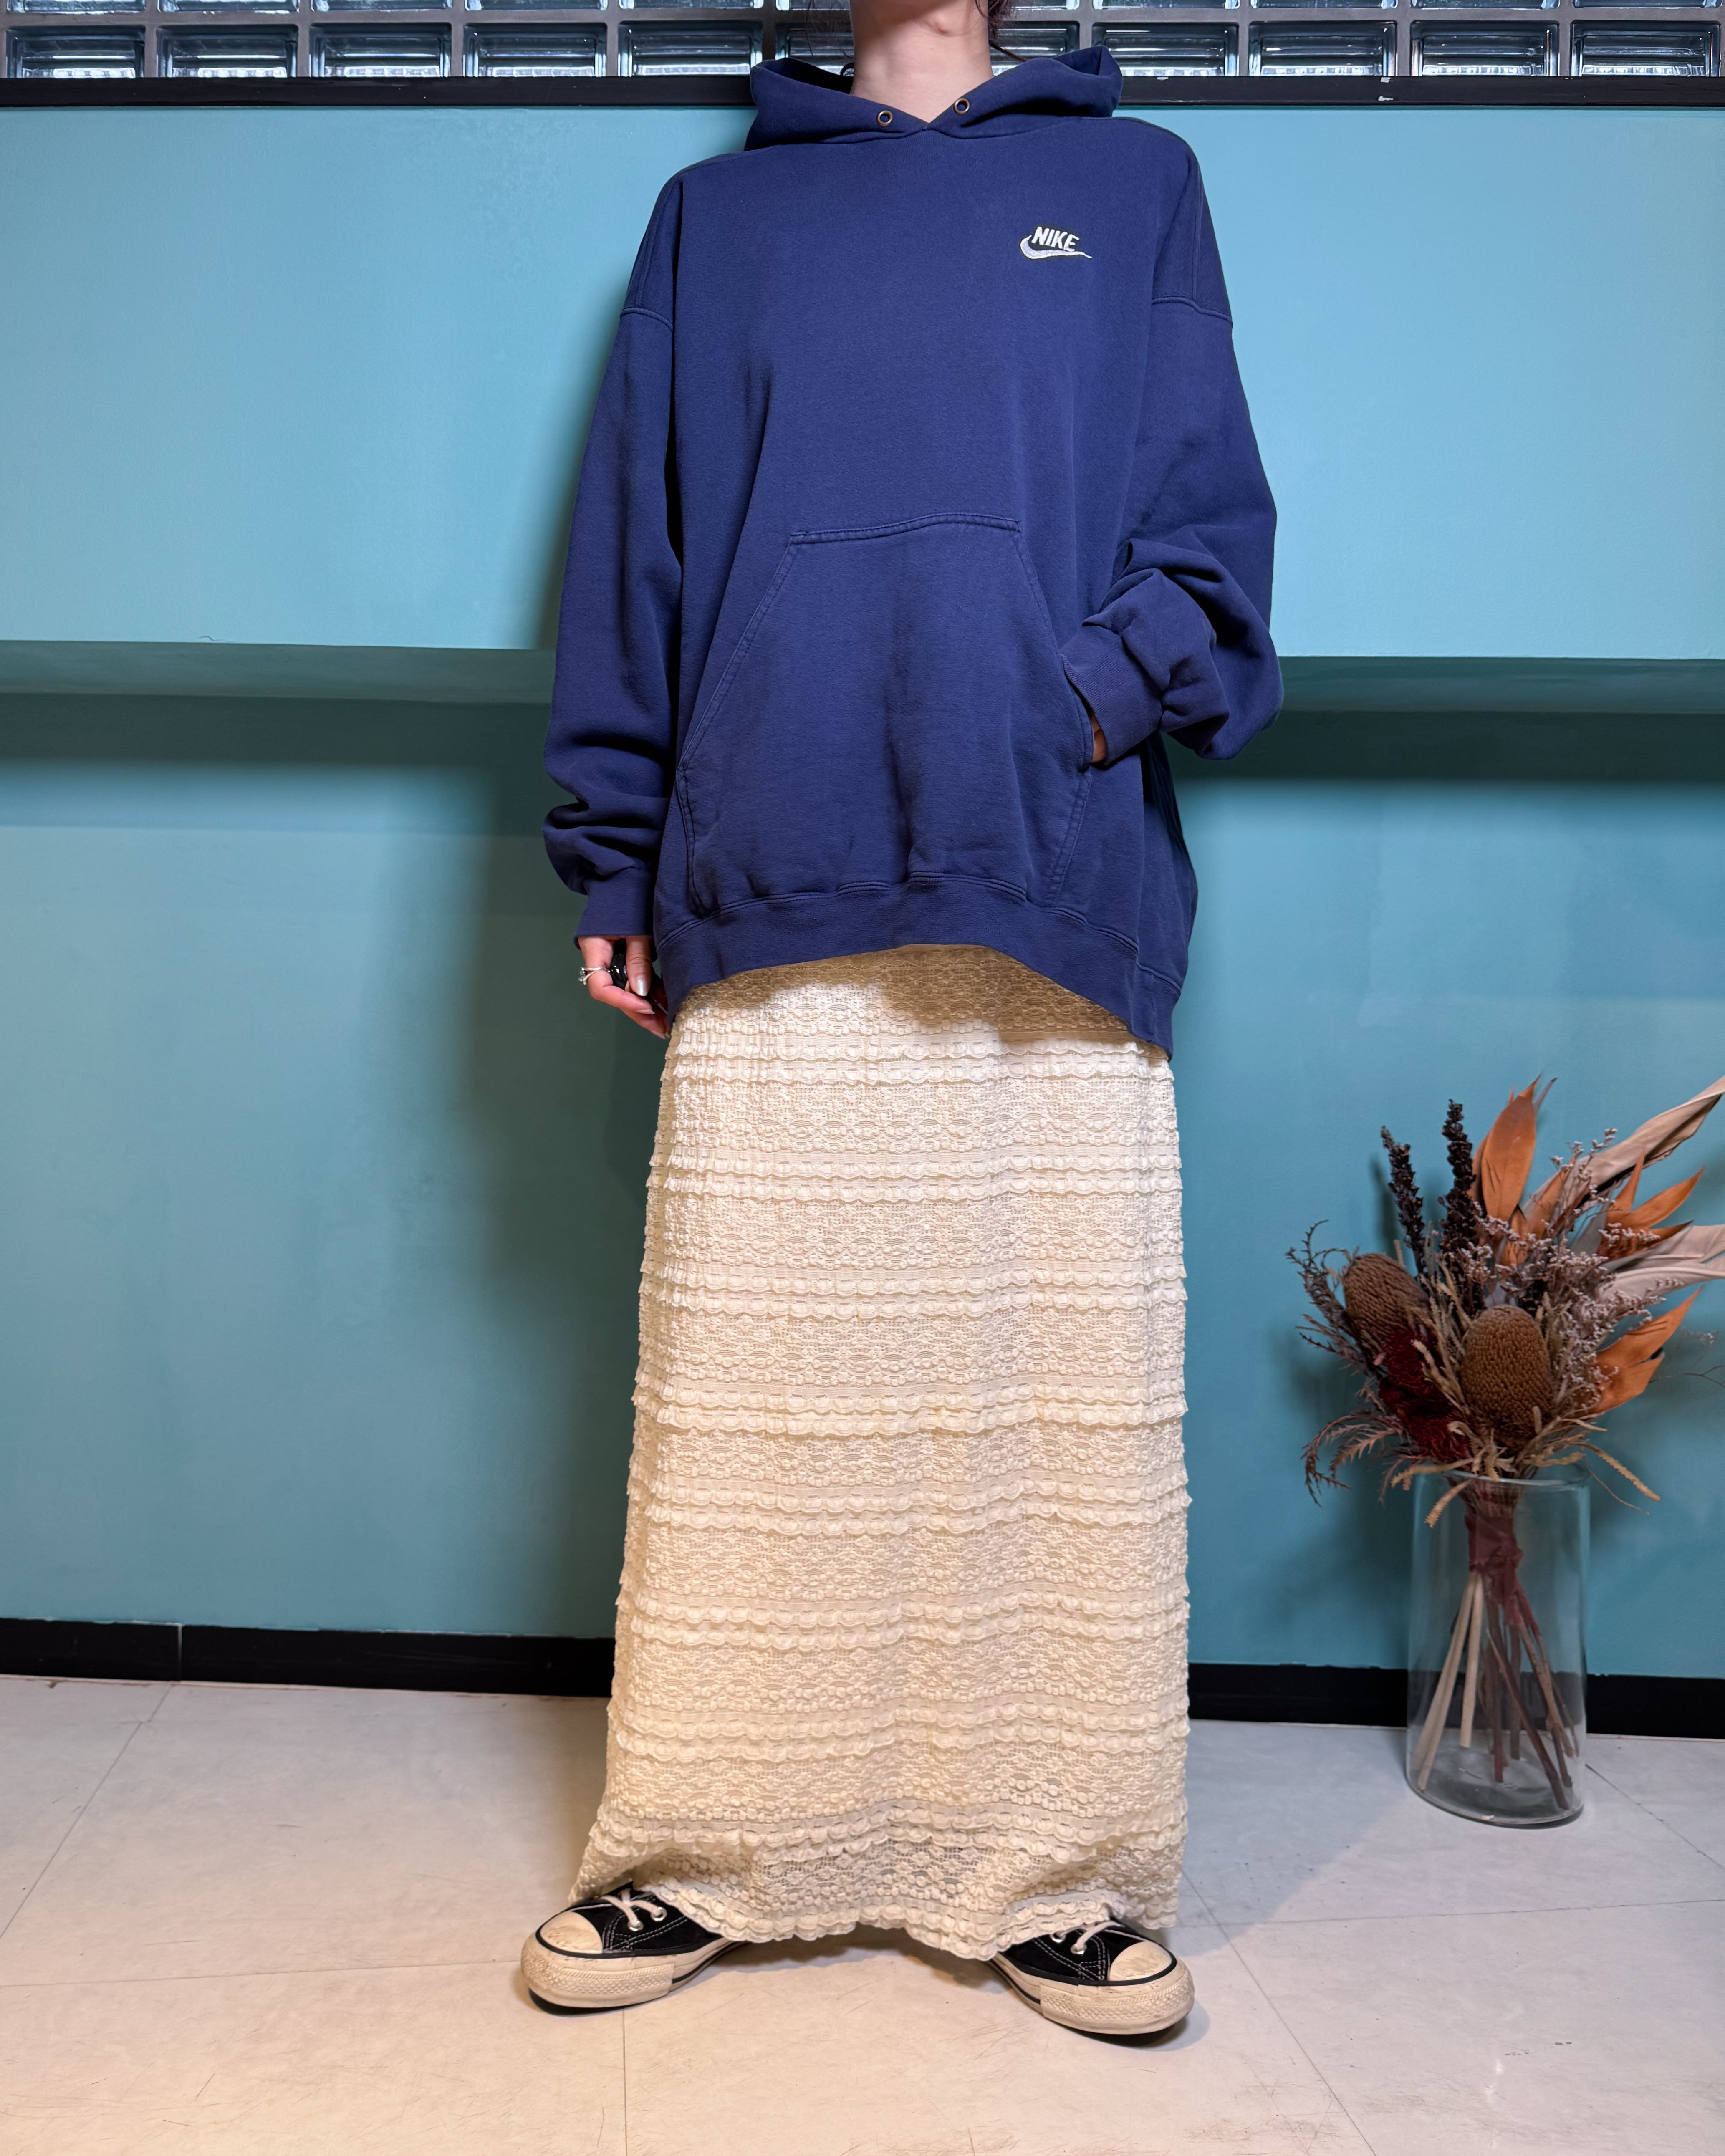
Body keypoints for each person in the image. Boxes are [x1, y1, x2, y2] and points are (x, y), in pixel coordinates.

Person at [522, 0, 1280, 2040]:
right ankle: (698, 1852)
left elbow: (1209, 539)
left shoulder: (1134, 187)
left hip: (1047, 860)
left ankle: (1057, 1877)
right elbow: (630, 554)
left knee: (1053, 1406)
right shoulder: (715, 218)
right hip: (766, 847)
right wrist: (613, 846)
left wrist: (1069, 701)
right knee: (754, 1402)